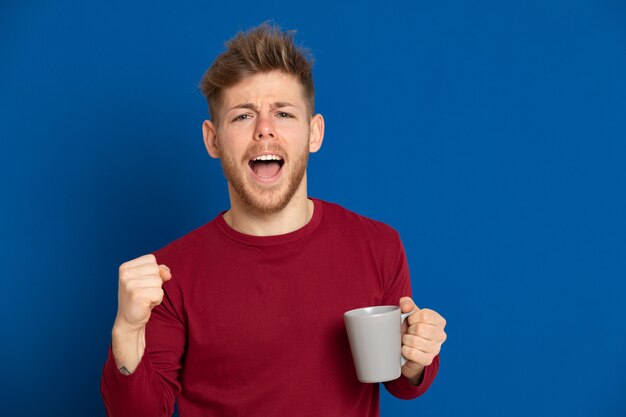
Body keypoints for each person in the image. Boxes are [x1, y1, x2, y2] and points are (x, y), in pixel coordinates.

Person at [100, 23, 447, 417]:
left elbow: (399, 382)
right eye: (243, 116)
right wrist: (126, 331)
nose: (265, 130)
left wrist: (416, 358)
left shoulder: (378, 246)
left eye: (282, 113)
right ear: (213, 140)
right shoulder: (168, 274)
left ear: (313, 133)